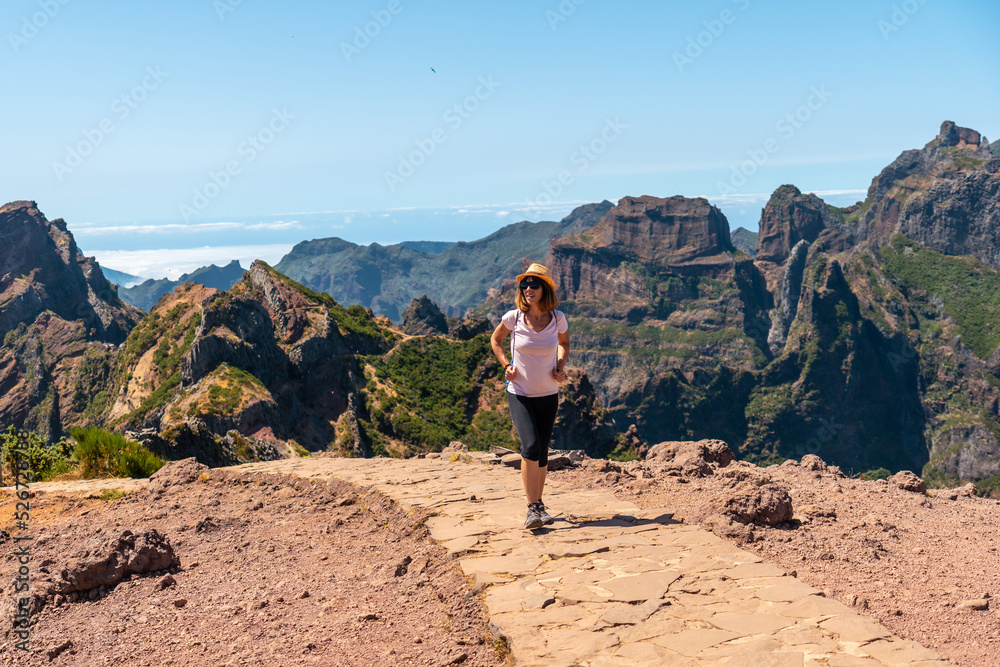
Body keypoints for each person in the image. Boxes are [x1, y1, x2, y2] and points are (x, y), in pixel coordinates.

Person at [490, 262, 570, 530]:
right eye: (524, 284)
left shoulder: (558, 319)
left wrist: (560, 367)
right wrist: (506, 365)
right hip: (520, 393)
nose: (527, 289)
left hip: (548, 393)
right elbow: (495, 340)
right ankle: (532, 508)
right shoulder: (514, 317)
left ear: (545, 289)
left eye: (533, 284)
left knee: (543, 454)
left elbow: (564, 344)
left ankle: (539, 505)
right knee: (531, 447)